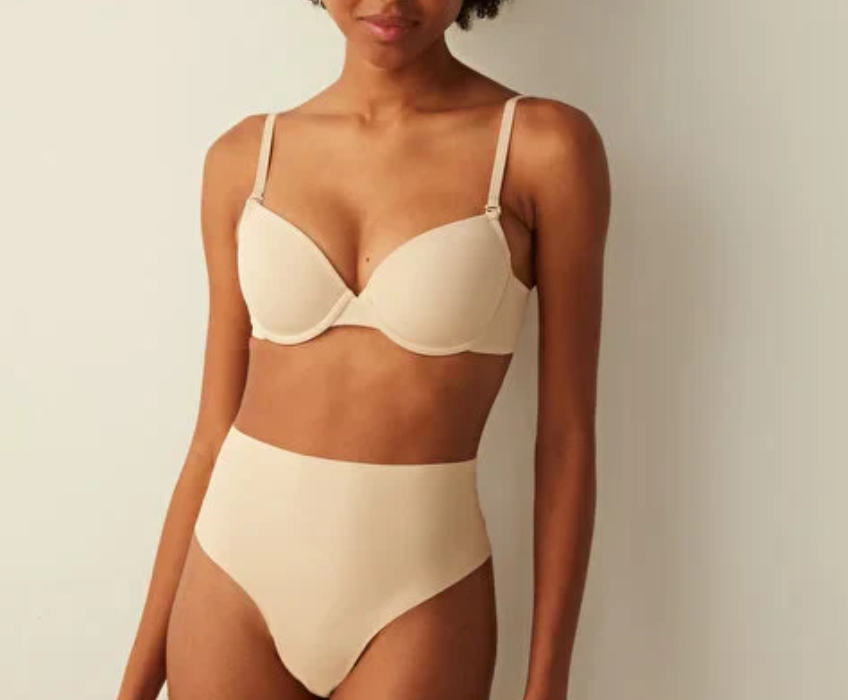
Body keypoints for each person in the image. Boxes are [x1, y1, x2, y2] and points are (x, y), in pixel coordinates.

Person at [116, 1, 610, 699]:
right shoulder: (244, 157)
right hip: (229, 578)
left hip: (421, 594)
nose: (390, 1)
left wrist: (548, 685)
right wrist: (135, 685)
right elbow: (210, 439)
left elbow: (565, 438)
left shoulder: (541, 146)